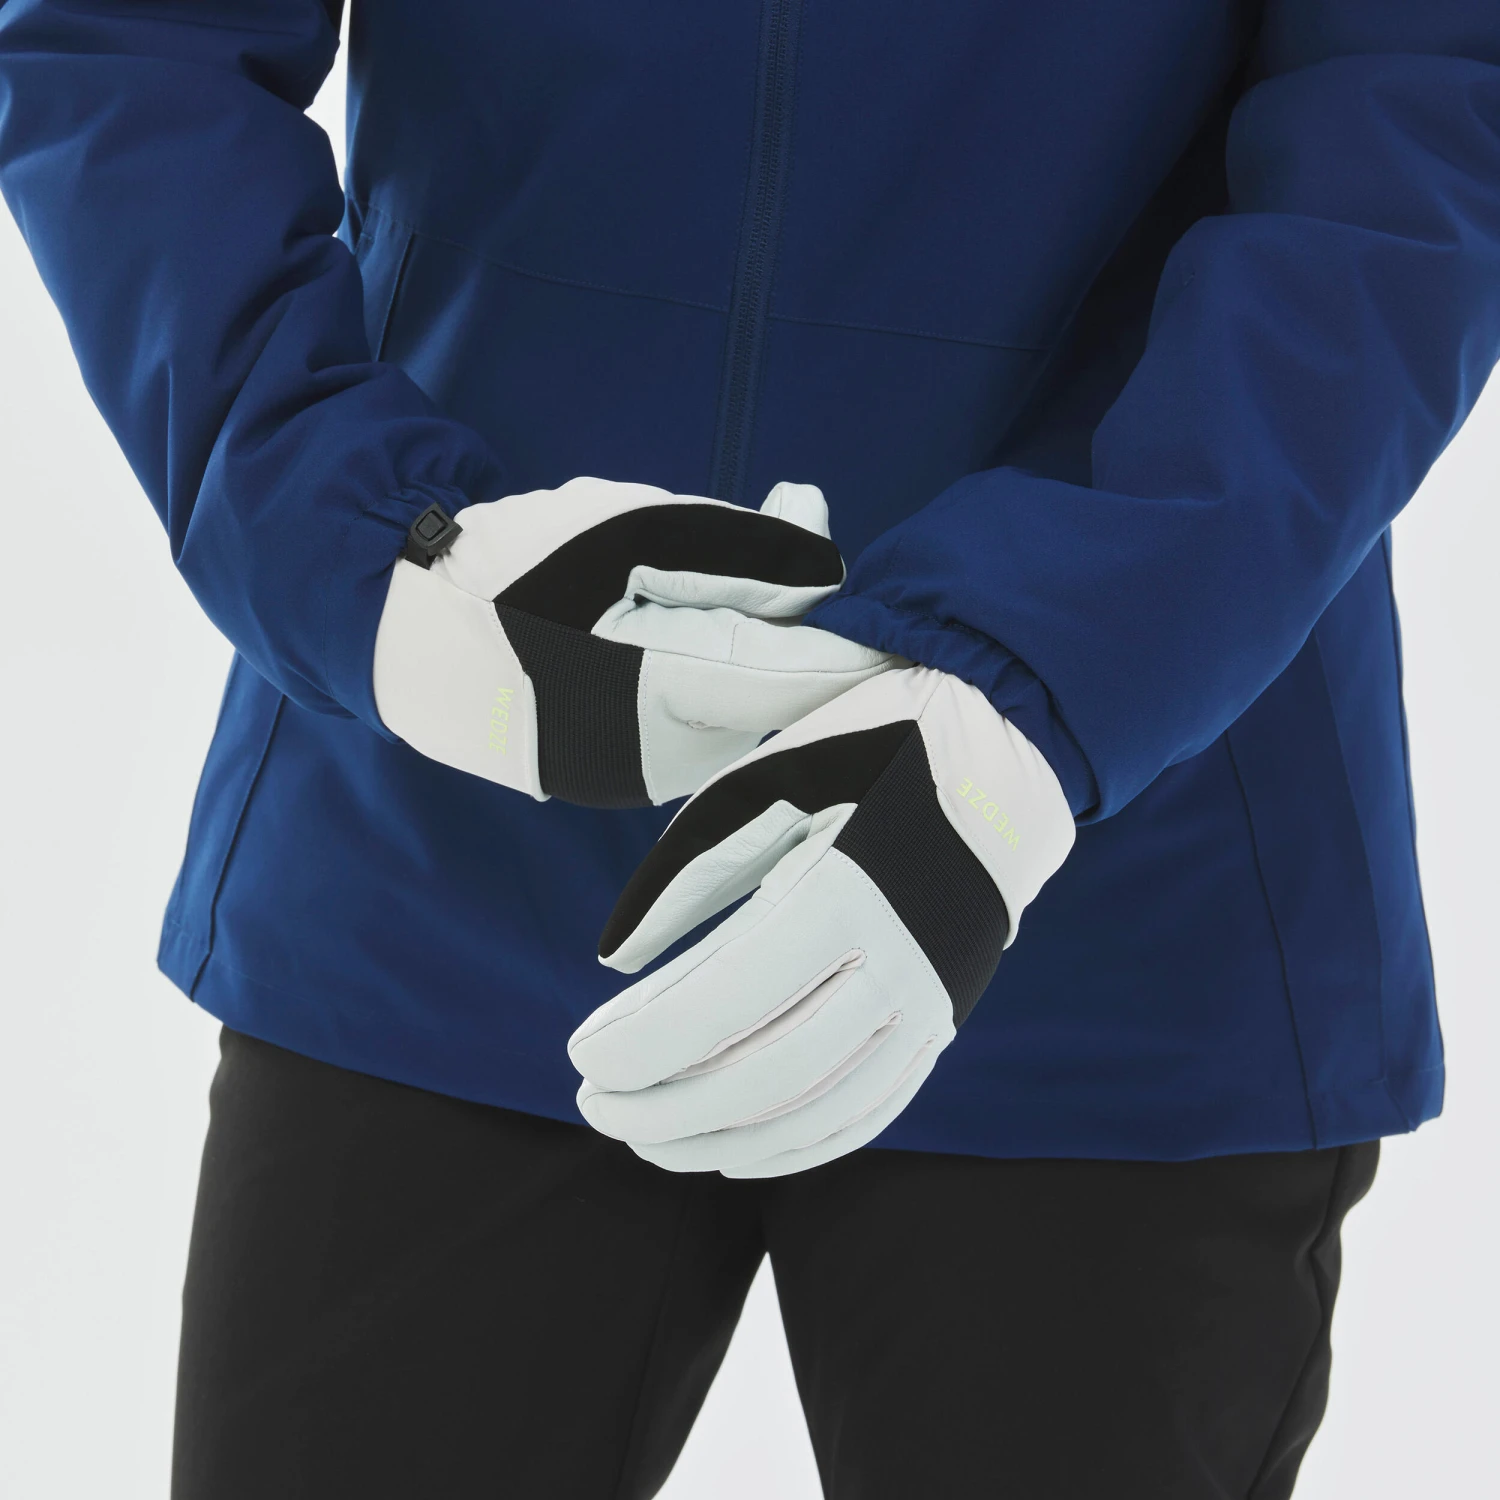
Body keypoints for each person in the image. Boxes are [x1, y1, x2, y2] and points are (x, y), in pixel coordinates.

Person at [2, 2, 1496, 1495]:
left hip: (1111, 886)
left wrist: (1055, 673)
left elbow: (1422, 103)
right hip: (453, 802)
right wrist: (357, 542)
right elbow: (129, 34)